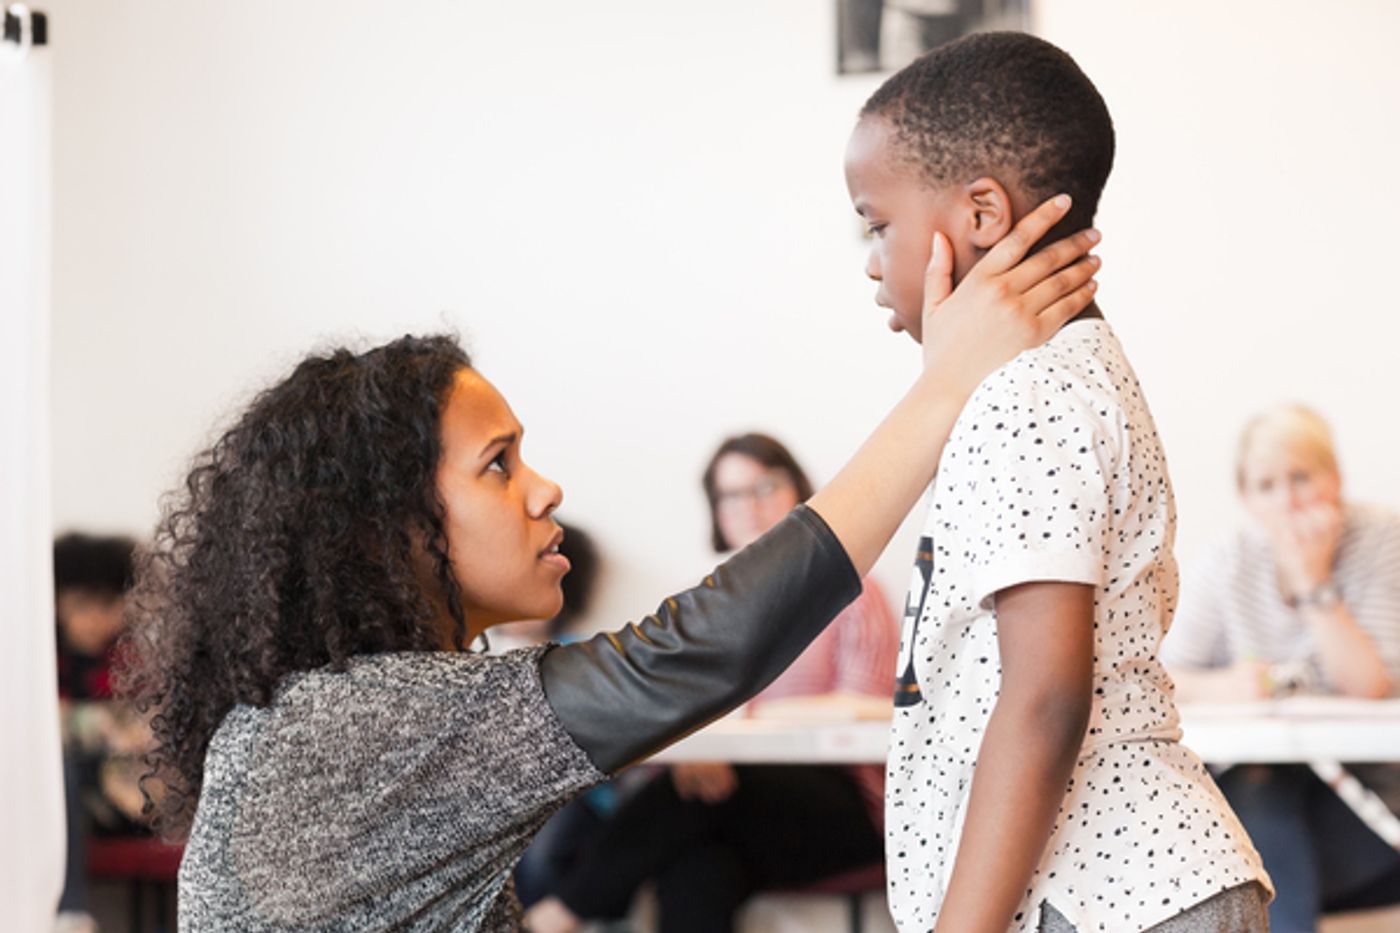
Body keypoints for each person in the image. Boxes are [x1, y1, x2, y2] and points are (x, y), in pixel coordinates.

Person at [117, 193, 1101, 932]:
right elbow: (693, 653)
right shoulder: (357, 718)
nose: (544, 490)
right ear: (380, 528)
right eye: (497, 465)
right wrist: (944, 388)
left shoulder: (315, 716)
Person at [842, 32, 1273, 932]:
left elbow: (1044, 697)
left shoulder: (1029, 393)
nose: (871, 260)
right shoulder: (1057, 376)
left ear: (984, 215)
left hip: (1115, 898)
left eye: (877, 222)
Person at [526, 433, 899, 933]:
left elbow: (867, 706)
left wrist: (748, 725)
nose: (749, 506)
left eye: (764, 486)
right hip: (744, 814)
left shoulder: (854, 591)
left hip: (849, 814)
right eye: (730, 495)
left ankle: (556, 915)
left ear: (798, 490)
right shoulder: (715, 613)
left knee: (696, 796)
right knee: (695, 863)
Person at [1163, 404, 1400, 932]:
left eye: (1302, 478)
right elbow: (1162, 678)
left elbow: (1370, 686)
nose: (1288, 500)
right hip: (1259, 798)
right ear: (1246, 499)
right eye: (1267, 485)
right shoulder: (1229, 559)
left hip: (1372, 808)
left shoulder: (1381, 539)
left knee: (1256, 844)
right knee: (1259, 794)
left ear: (1334, 479)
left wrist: (1313, 583)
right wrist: (1226, 687)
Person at [54, 533, 148, 933]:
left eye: (107, 605)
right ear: (56, 603)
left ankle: (70, 907)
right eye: (80, 605)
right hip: (67, 792)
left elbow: (143, 729)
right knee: (65, 768)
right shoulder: (42, 658)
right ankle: (69, 907)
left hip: (125, 795)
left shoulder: (130, 660)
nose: (94, 619)